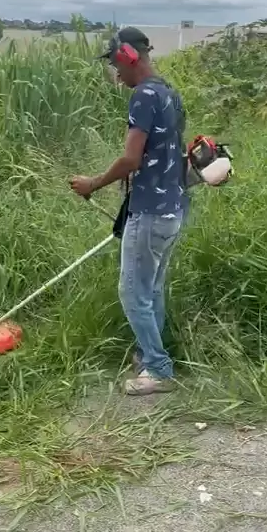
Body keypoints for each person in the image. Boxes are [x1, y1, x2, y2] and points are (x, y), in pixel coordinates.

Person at [70, 26, 187, 396]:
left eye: (115, 63)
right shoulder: (169, 93)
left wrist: (92, 183)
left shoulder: (143, 96)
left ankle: (158, 369)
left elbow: (131, 159)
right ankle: (148, 354)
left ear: (128, 57)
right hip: (172, 210)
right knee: (152, 289)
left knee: (132, 292)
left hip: (150, 211)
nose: (115, 73)